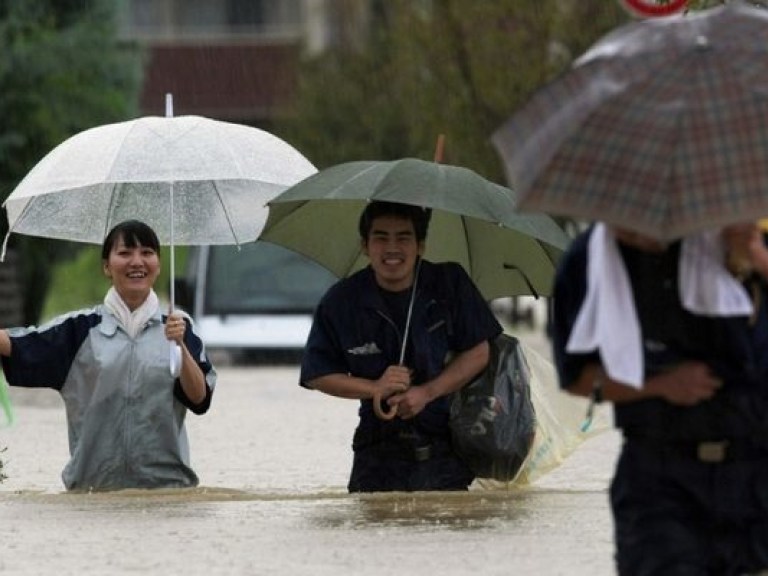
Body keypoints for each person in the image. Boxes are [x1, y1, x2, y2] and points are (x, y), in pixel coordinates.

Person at [552, 221, 768, 575]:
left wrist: (757, 259)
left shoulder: (740, 239)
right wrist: (660, 385)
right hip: (659, 477)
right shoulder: (588, 259)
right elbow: (578, 378)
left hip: (753, 468)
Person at [300, 201, 502, 492]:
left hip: (447, 453)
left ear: (420, 245)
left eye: (403, 238)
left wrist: (427, 392)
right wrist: (374, 388)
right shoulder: (341, 301)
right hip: (375, 458)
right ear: (365, 246)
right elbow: (317, 373)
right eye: (381, 238)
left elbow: (479, 352)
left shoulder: (450, 283)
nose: (392, 248)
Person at [0, 219, 216, 491]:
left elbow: (200, 399)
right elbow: (16, 344)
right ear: (106, 266)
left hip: (169, 493)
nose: (137, 261)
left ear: (159, 265)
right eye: (125, 253)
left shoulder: (179, 329)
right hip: (92, 495)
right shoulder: (78, 330)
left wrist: (180, 346)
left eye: (147, 253)